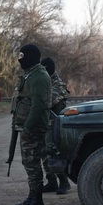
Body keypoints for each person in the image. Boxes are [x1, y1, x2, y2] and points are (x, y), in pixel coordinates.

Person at [11, 44, 52, 205]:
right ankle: (32, 197)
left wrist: (28, 127)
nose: (20, 59)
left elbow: (39, 105)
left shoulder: (40, 77)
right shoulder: (30, 74)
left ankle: (37, 203)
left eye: (22, 55)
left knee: (33, 163)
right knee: (29, 163)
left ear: (30, 57)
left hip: (34, 128)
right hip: (26, 126)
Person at [40, 57, 71, 195]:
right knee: (43, 154)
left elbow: (48, 101)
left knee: (54, 153)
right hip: (44, 124)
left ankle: (64, 182)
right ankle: (51, 182)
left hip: (54, 126)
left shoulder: (57, 84)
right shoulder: (45, 82)